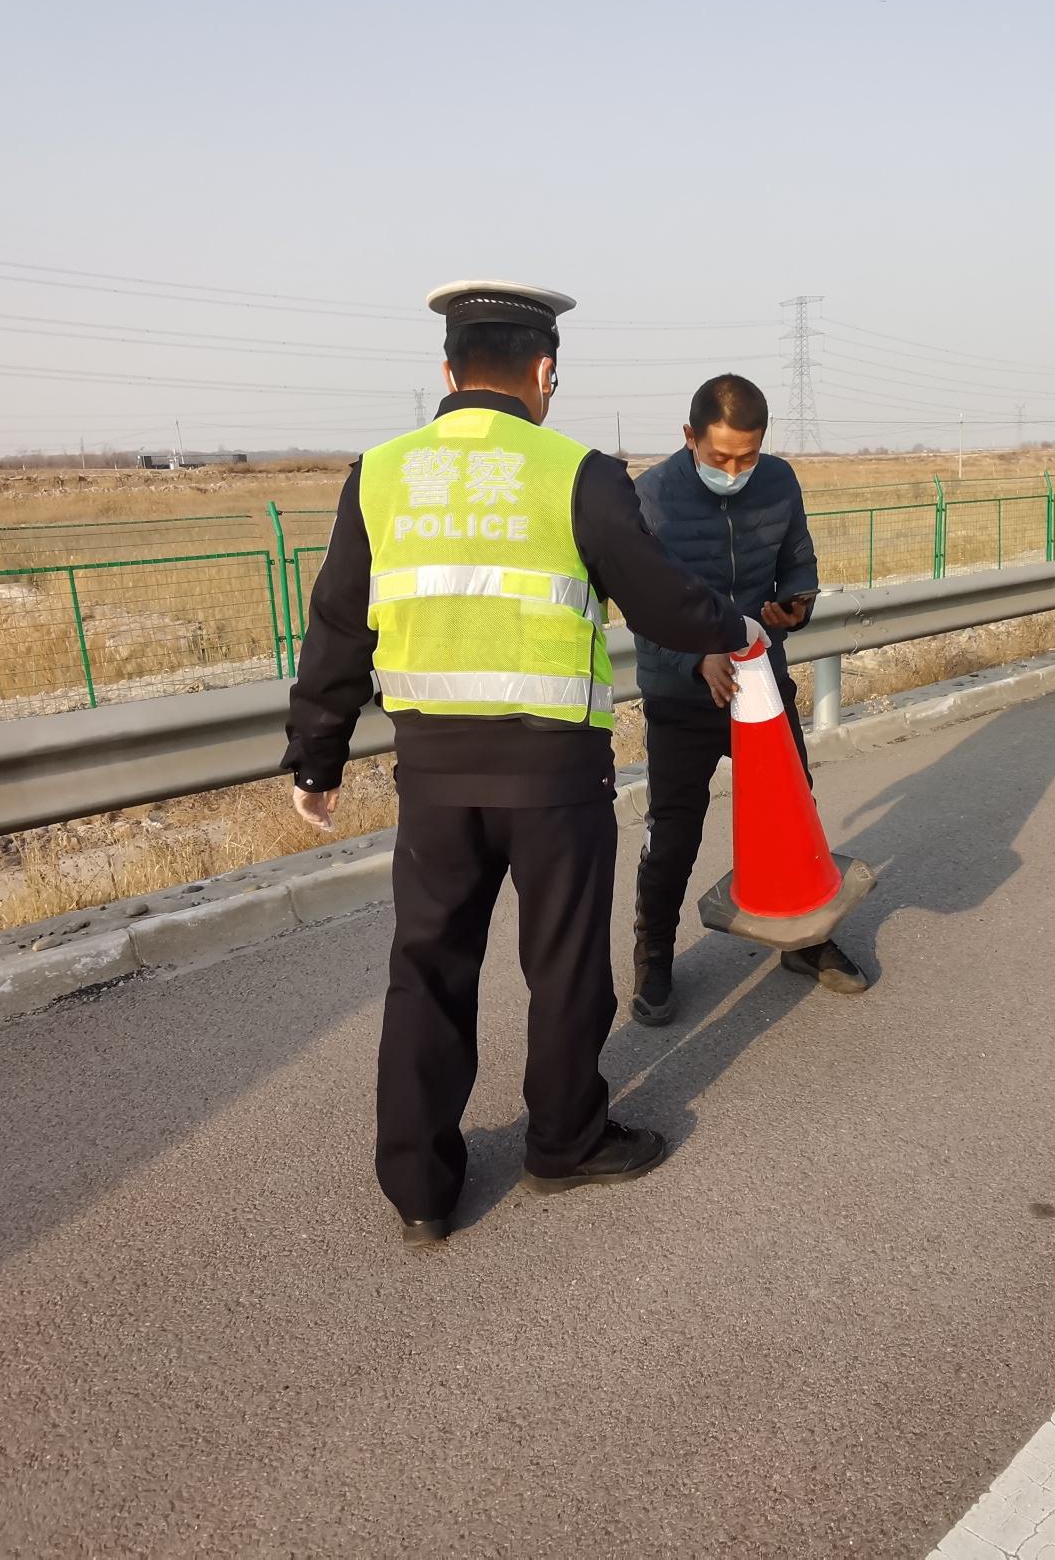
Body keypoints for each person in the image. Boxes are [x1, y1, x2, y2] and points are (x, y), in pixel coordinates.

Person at [283, 281, 757, 1244]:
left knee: (429, 970)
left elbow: (338, 621)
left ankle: (420, 1190)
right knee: (566, 965)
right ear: (544, 371)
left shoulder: (378, 474)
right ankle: (564, 1142)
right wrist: (733, 626)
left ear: (447, 372)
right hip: (551, 776)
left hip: (433, 776)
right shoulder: (574, 472)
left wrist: (316, 759)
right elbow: (658, 597)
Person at [627, 374, 868, 1026]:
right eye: (720, 458)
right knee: (674, 830)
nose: (734, 471)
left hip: (761, 684)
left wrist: (796, 605)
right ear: (689, 438)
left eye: (747, 457)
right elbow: (642, 603)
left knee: (792, 814)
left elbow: (798, 562)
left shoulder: (780, 482)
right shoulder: (649, 498)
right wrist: (693, 655)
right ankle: (656, 954)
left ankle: (804, 940)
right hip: (681, 693)